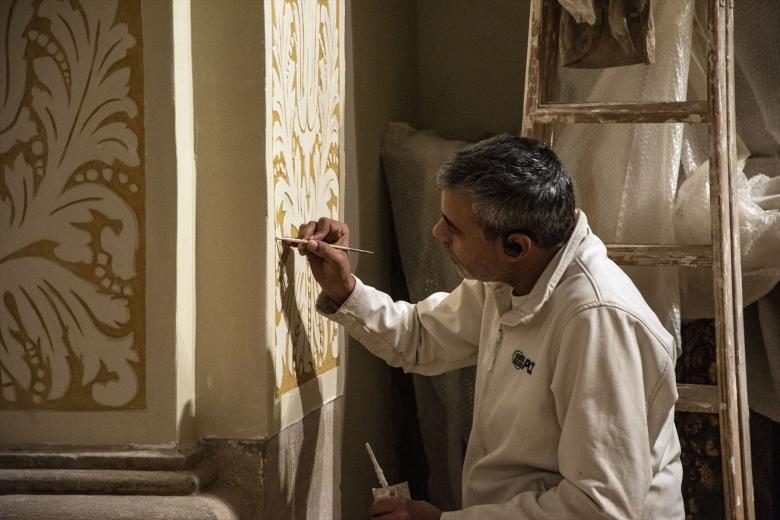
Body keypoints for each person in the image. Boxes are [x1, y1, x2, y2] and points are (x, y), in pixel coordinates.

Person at [293, 136, 684, 519]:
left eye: (453, 227)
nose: (437, 233)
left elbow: (601, 509)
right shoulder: (511, 281)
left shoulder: (596, 322)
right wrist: (344, 289)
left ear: (516, 246)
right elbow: (422, 337)